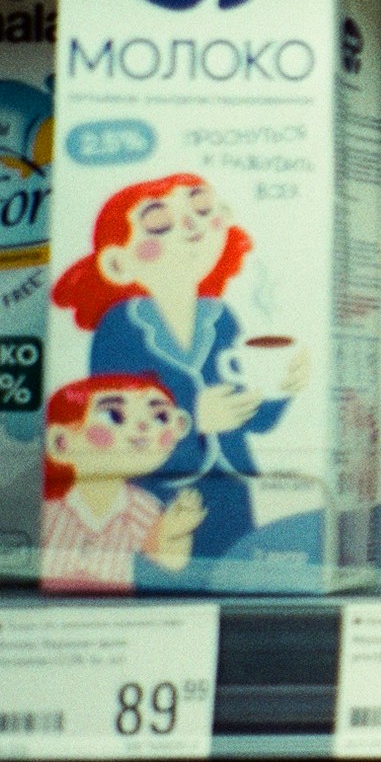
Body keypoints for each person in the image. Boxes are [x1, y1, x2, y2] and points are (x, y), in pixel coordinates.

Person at [49, 174, 304, 579]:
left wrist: (280, 389)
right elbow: (114, 424)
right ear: (119, 263)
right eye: (159, 224)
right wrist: (195, 419)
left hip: (231, 489)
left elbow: (256, 421)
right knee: (162, 578)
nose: (190, 228)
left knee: (235, 585)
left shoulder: (221, 319)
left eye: (201, 211)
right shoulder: (120, 327)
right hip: (153, 494)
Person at [37, 372, 206, 588]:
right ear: (60, 441)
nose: (144, 426)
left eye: (160, 417)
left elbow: (171, 563)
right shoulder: (47, 510)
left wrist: (174, 533)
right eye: (114, 416)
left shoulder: (143, 509)